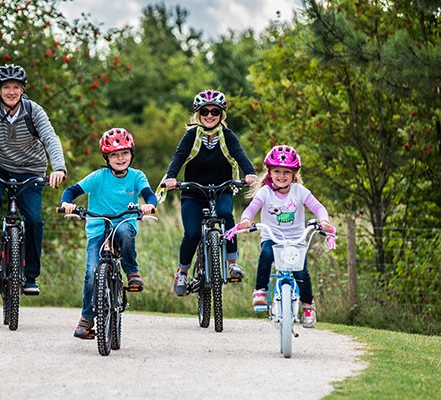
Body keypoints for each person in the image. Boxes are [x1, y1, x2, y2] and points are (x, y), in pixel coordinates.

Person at [0, 64, 66, 295]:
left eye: (16, 87)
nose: (12, 92)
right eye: (6, 87)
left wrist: (58, 168)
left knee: (34, 219)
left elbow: (51, 138)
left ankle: (30, 277)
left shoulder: (34, 111)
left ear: (22, 90)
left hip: (30, 169)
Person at [60, 128, 157, 339]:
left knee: (124, 230)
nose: (120, 158)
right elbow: (72, 191)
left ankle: (132, 272)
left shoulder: (136, 176)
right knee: (91, 272)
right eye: (114, 154)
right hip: (97, 230)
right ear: (107, 157)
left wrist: (149, 205)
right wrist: (66, 203)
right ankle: (87, 318)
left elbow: (150, 195)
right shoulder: (98, 177)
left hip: (125, 224)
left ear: (131, 154)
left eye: (124, 153)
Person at [159, 89, 258, 297]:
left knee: (225, 214)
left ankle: (232, 263)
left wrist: (250, 173)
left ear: (222, 114)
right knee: (193, 233)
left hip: (222, 189)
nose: (210, 115)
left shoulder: (227, 136)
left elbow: (239, 154)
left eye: (215, 111)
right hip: (193, 192)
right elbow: (178, 157)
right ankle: (183, 272)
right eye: (205, 111)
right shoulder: (191, 136)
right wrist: (170, 177)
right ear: (198, 114)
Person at [236, 145, 334, 328]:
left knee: (301, 272)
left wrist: (324, 221)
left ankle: (307, 306)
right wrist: (246, 219)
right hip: (272, 237)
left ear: (294, 174)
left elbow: (319, 208)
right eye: (277, 171)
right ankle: (260, 291)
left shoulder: (300, 191)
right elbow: (251, 208)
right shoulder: (265, 192)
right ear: (270, 172)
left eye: (286, 172)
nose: (281, 176)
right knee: (266, 254)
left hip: (296, 239)